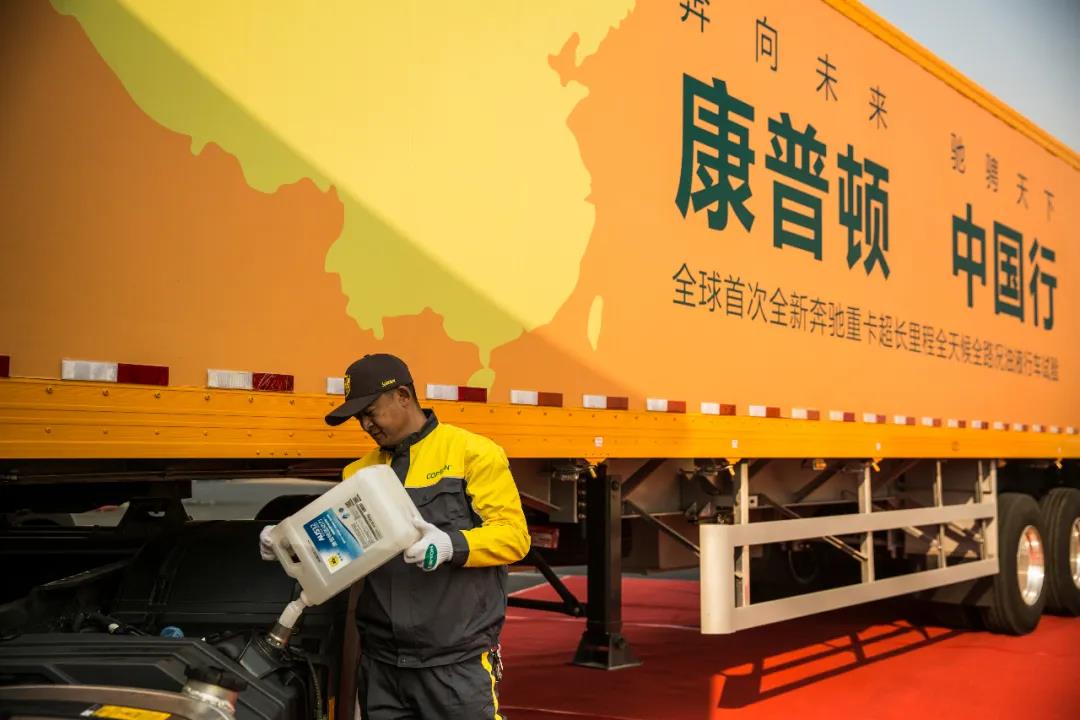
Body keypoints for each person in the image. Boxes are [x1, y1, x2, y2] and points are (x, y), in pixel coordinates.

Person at [260, 353, 530, 719]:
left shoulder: (473, 453)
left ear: (403, 395)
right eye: (359, 418)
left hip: (455, 664)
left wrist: (451, 545)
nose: (366, 425)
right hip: (382, 666)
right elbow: (343, 555)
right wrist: (291, 544)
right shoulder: (359, 472)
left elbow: (514, 537)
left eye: (371, 412)